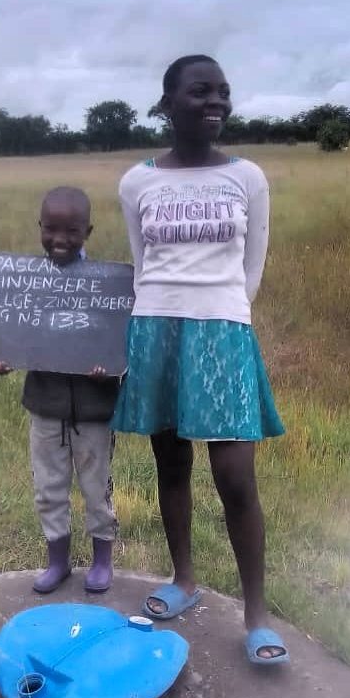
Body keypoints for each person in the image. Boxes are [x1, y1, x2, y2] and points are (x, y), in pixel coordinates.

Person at [112, 55, 288, 664]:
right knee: (172, 466)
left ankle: (256, 616)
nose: (215, 101)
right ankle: (184, 581)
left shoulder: (248, 177)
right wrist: (163, 313)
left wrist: (226, 315)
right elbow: (142, 262)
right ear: (167, 103)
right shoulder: (137, 181)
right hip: (156, 328)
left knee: (236, 477)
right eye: (199, 91)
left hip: (222, 332)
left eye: (223, 92)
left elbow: (252, 267)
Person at [0, 186, 119, 594]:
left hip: (93, 410)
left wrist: (110, 369)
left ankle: (102, 562)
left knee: (97, 489)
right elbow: (13, 333)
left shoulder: (106, 285)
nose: (60, 239)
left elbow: (120, 342)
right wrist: (3, 359)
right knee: (48, 487)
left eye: (72, 230)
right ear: (40, 228)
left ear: (88, 232)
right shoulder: (25, 282)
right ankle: (58, 561)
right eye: (50, 229)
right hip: (45, 406)